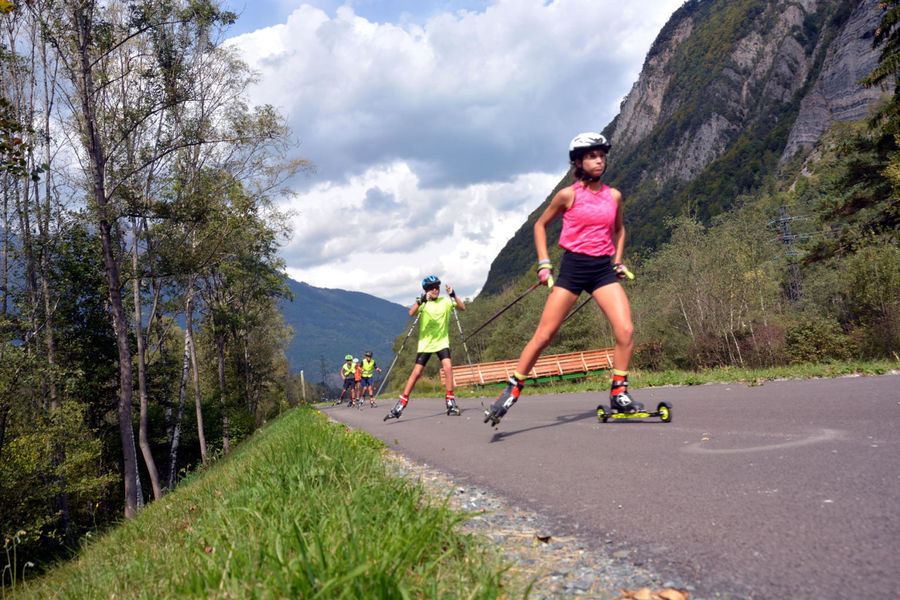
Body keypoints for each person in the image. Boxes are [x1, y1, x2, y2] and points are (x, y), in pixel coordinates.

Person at [484, 132, 639, 426]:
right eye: (592, 156)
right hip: (573, 269)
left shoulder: (613, 195)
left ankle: (619, 391)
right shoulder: (568, 195)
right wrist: (544, 265)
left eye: (602, 156)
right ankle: (513, 388)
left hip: (603, 270)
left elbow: (620, 230)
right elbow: (540, 226)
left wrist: (617, 260)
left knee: (626, 330)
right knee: (544, 336)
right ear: (578, 162)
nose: (599, 161)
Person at [385, 275, 466, 420]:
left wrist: (453, 295)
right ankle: (401, 403)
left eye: (437, 287)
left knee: (448, 367)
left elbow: (462, 308)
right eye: (432, 288)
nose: (435, 290)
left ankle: (450, 401)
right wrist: (422, 300)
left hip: (442, 342)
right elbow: (411, 313)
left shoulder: (446, 302)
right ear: (427, 290)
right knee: (417, 373)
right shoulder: (423, 303)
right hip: (426, 344)